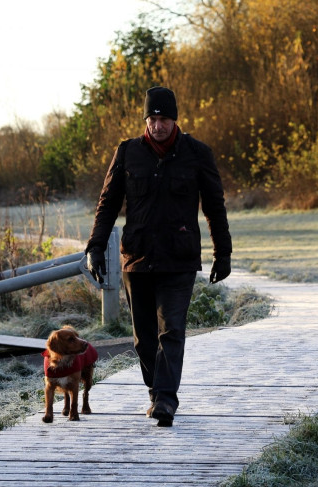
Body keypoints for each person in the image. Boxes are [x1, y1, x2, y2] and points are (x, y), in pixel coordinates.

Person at [84, 86, 232, 427]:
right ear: (146, 120)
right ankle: (155, 391)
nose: (158, 125)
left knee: (173, 331)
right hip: (137, 258)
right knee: (144, 337)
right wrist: (95, 246)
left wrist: (222, 252)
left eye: (164, 118)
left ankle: (166, 399)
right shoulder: (127, 153)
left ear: (174, 119)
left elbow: (214, 206)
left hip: (178, 258)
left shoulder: (197, 153)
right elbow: (107, 204)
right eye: (153, 118)